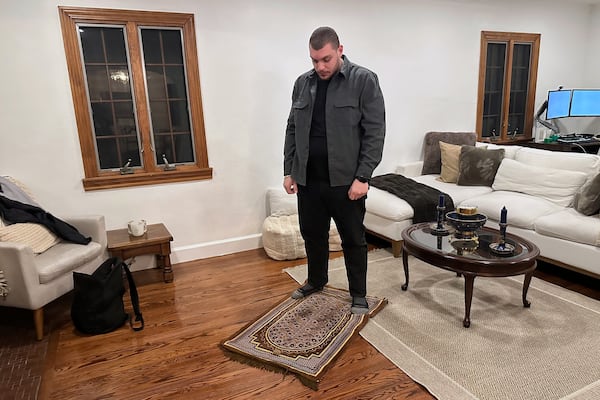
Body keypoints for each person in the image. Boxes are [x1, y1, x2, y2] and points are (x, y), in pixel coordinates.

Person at [283, 26, 386, 314]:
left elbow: (375, 132)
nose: (320, 66)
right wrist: (289, 170)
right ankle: (316, 281)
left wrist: (363, 176)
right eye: (314, 60)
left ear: (340, 50)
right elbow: (292, 128)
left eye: (326, 59)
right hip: (308, 179)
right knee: (312, 235)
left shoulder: (363, 80)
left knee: (353, 239)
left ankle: (358, 295)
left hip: (345, 182)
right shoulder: (302, 84)